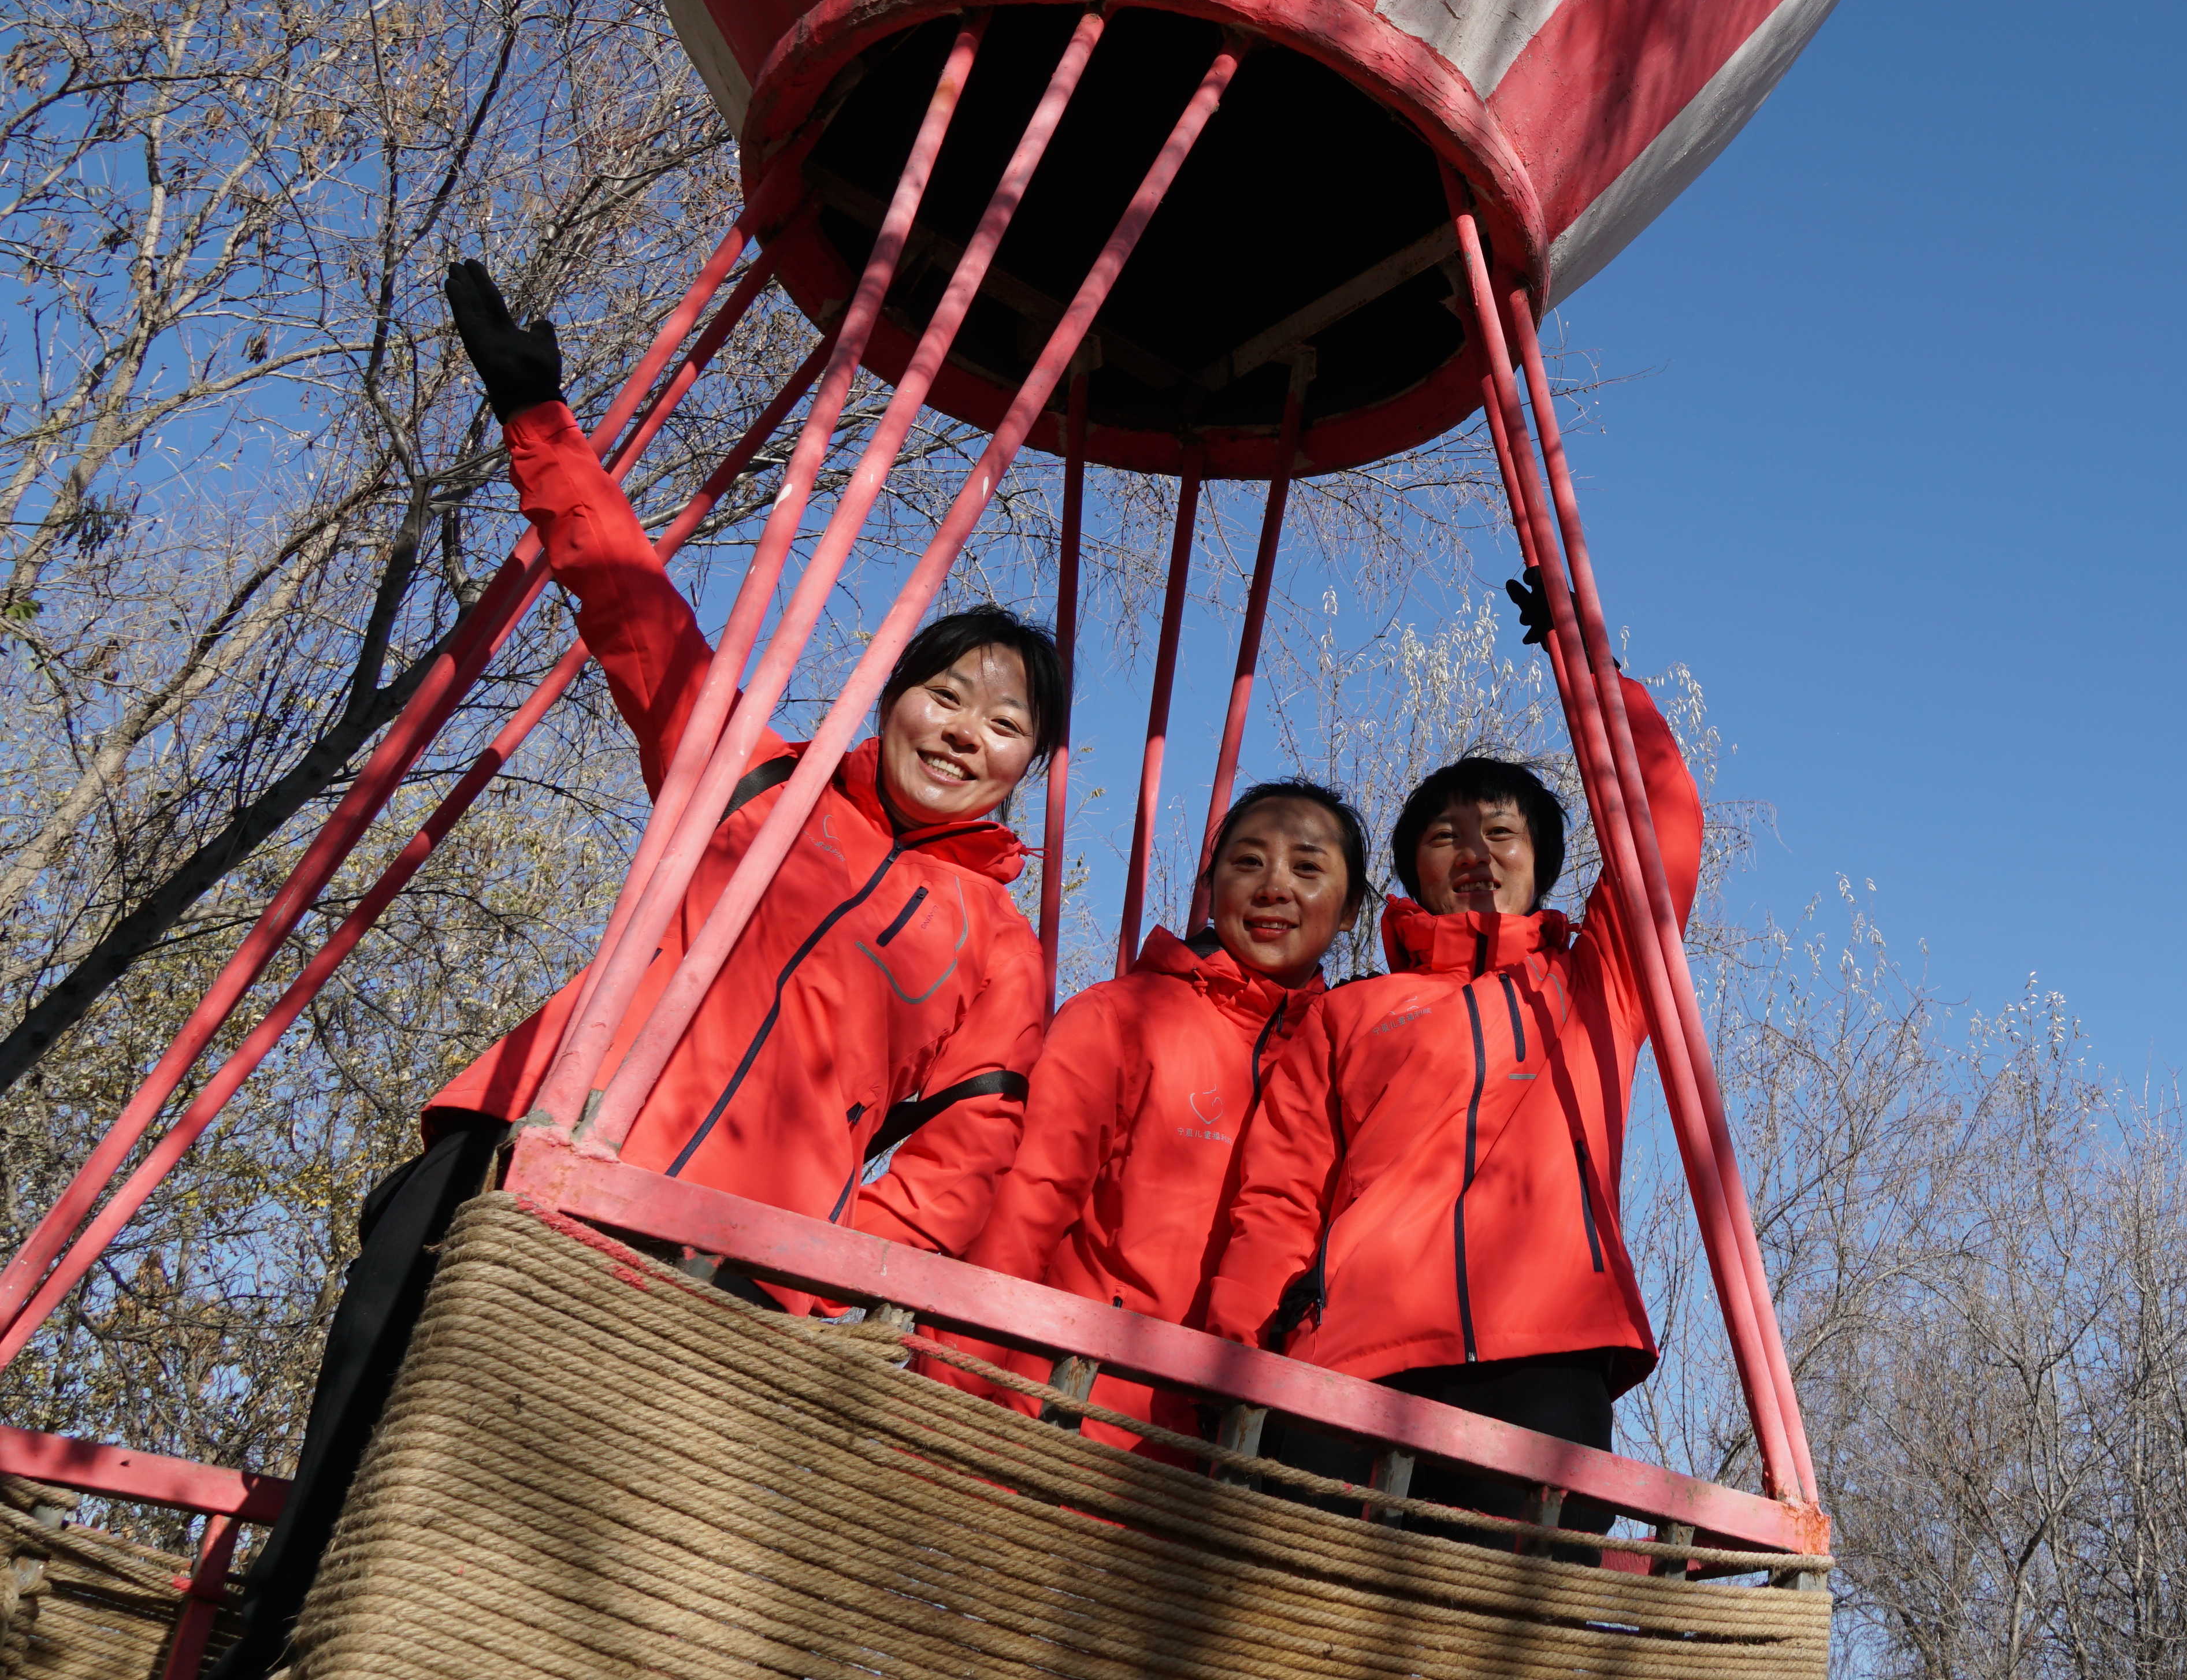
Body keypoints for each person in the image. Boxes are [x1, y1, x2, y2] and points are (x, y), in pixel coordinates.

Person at [210, 262, 1059, 1679]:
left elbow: (973, 1143)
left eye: (1008, 720)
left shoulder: (1000, 943)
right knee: (359, 1464)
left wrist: (817, 1264)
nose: (967, 727)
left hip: (716, 1256)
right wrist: (539, 420)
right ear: (893, 697)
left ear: (1031, 764)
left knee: (563, 1582)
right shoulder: (756, 779)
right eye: (946, 690)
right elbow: (631, 606)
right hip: (526, 1151)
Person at [1200, 613, 1701, 1528]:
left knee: (1516, 1602)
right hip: (1355, 1356)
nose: (1476, 853)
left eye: (1502, 832)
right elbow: (1279, 1198)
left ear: (1541, 864)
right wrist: (1235, 1358)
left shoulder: (1599, 984)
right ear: (1411, 873)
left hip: (1546, 1351)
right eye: (1445, 836)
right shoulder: (1350, 1012)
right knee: (1298, 1598)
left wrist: (1592, 671)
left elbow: (1661, 824)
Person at [930, 780, 1364, 1452]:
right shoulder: (1122, 1018)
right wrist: (945, 1398)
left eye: (1307, 869)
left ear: (1351, 910)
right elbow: (1023, 1208)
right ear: (1210, 886)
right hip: (1062, 1414)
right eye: (1248, 862)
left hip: (1226, 1457)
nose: (1274, 887)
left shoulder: (1352, 1065)